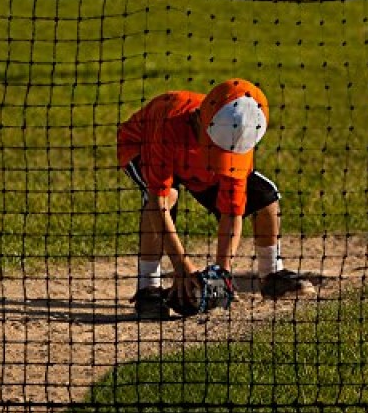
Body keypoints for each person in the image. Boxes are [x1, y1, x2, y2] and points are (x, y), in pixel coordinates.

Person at [117, 78, 315, 320]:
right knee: (167, 196)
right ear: (201, 120)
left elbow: (232, 211)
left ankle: (272, 274)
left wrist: (222, 273)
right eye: (215, 147)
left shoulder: (240, 132)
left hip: (193, 162)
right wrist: (182, 267)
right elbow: (158, 202)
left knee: (265, 197)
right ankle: (149, 288)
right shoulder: (169, 122)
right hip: (140, 146)